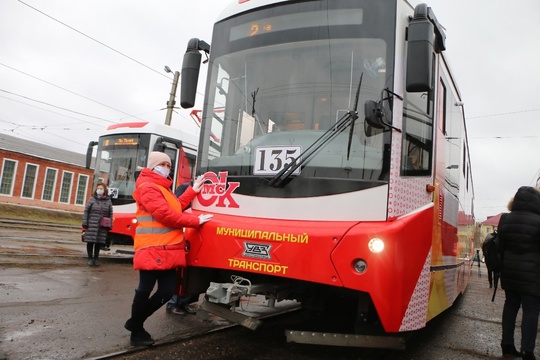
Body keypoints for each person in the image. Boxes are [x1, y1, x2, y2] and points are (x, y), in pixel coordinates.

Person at [123, 151, 213, 347]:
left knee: (166, 291)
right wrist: (195, 221)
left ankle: (134, 322)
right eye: (162, 164)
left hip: (168, 248)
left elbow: (176, 207)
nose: (166, 168)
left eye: (168, 165)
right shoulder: (148, 187)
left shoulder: (163, 188)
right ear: (153, 165)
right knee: (144, 290)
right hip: (152, 248)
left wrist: (193, 190)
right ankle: (136, 332)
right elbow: (166, 216)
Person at [498, 186, 540, 360]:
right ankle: (526, 351)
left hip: (510, 274)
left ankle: (507, 345)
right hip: (533, 276)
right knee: (530, 311)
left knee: (510, 306)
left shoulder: (505, 219)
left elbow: (500, 247)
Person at [82, 182, 113, 266]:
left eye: (101, 189)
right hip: (91, 224)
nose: (99, 190)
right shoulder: (92, 199)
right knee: (90, 242)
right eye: (98, 188)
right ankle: (90, 258)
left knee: (98, 243)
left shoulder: (108, 201)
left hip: (101, 226)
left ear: (105, 190)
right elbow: (86, 211)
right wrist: (85, 223)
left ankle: (96, 259)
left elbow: (110, 214)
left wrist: (110, 225)